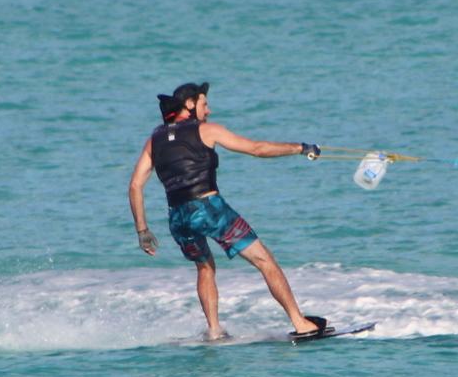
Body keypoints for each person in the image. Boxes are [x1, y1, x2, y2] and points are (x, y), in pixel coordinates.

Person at [129, 81, 330, 341]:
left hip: (178, 217)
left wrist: (142, 230)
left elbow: (135, 185)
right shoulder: (206, 130)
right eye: (205, 104)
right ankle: (300, 323)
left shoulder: (154, 140)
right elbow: (257, 149)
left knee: (204, 268)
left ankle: (214, 330)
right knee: (265, 261)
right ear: (190, 105)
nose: (209, 110)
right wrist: (301, 148)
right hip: (208, 208)